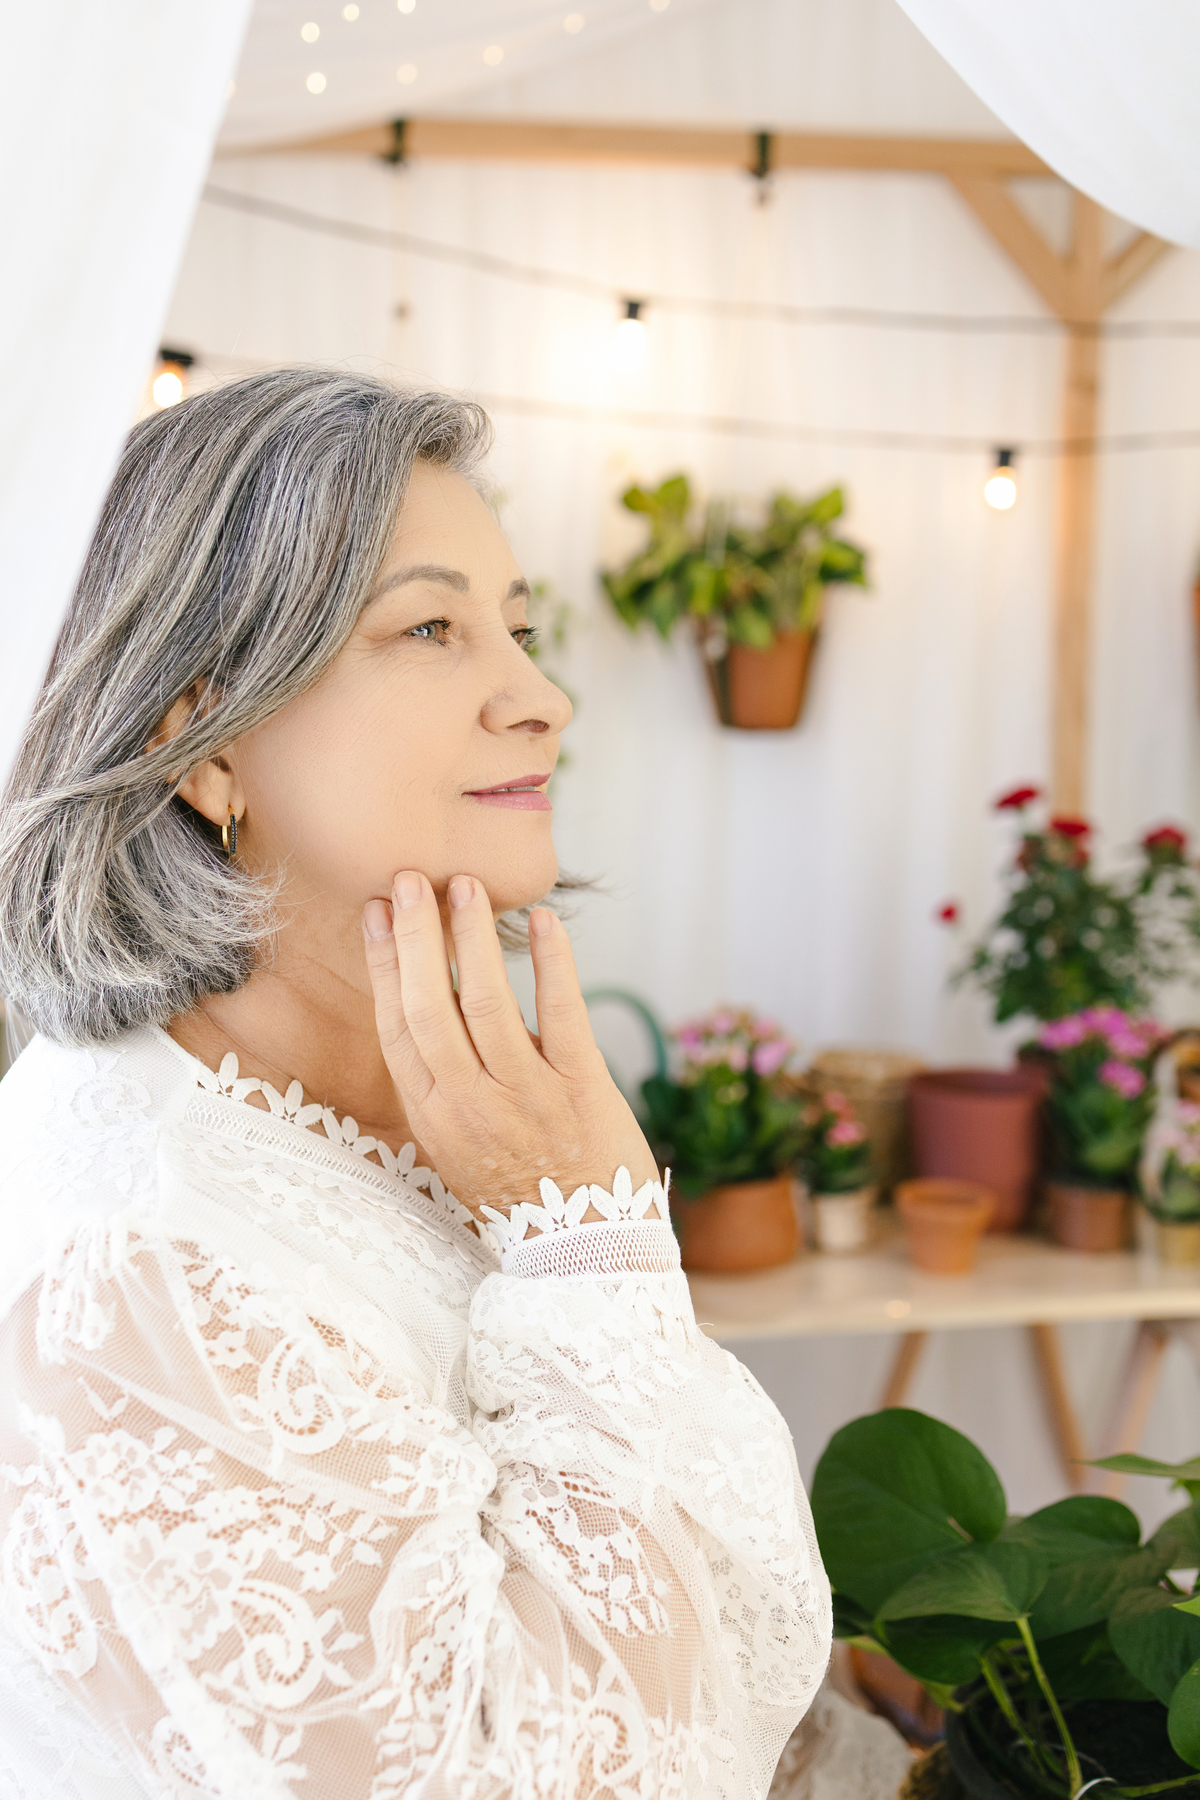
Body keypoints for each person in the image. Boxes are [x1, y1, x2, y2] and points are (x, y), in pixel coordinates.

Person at [0, 370, 834, 1800]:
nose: (544, 697)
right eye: (433, 628)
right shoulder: (129, 1270)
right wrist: (590, 1254)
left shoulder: (421, 1120)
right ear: (199, 742)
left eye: (518, 625)